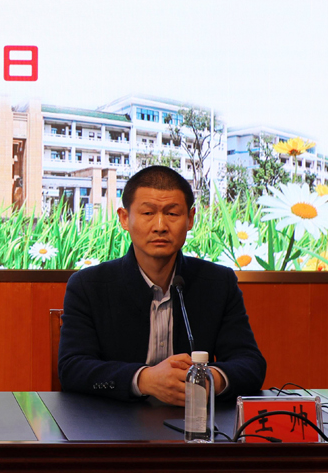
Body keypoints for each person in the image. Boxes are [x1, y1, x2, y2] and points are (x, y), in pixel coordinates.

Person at [59, 165, 265, 404]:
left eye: (172, 214)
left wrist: (208, 380)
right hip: (113, 420)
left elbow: (250, 363)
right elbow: (72, 369)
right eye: (148, 213)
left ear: (190, 219)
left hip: (192, 419)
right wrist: (143, 380)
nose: (160, 226)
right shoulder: (88, 285)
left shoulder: (219, 283)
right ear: (124, 218)